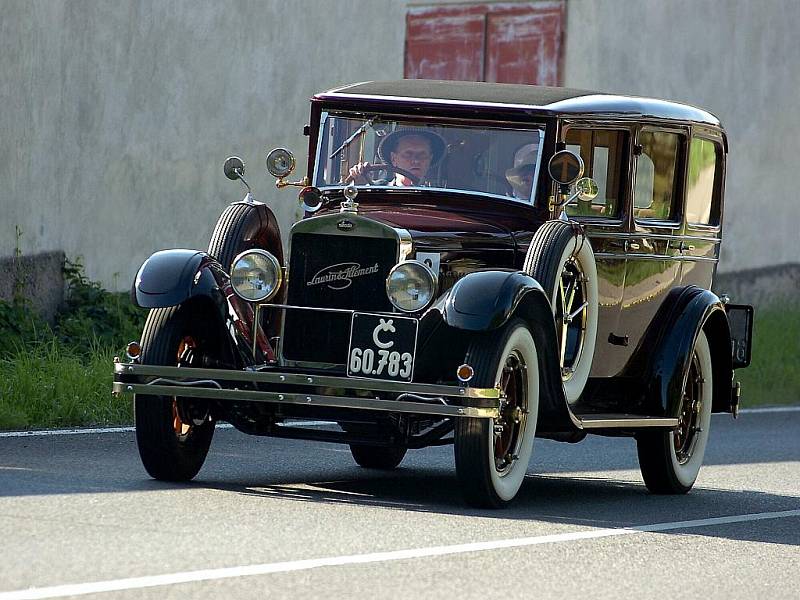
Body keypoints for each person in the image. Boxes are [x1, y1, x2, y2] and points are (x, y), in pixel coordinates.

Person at [347, 128, 446, 186]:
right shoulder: (377, 190)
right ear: (394, 159)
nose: (416, 160)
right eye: (408, 154)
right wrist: (360, 187)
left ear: (430, 159)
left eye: (422, 155)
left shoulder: (440, 198)